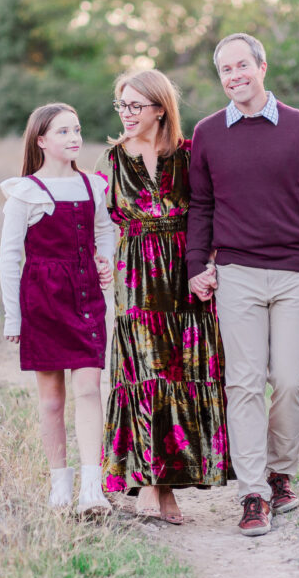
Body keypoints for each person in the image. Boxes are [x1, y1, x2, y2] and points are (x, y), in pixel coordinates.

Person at [186, 33, 299, 537]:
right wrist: (197, 263)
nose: (234, 76)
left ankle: (282, 475)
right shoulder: (209, 133)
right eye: (225, 70)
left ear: (262, 66)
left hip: (295, 271)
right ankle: (253, 492)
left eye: (242, 66)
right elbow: (202, 206)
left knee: (292, 380)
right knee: (244, 382)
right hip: (236, 273)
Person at [96, 69, 232, 525]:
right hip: (136, 282)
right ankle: (152, 485)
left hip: (185, 275)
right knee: (147, 375)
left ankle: (168, 489)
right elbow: (99, 224)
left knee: (182, 373)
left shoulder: (190, 155)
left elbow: (210, 211)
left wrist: (210, 262)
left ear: (160, 108)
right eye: (122, 105)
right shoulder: (111, 161)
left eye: (136, 105)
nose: (127, 114)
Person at [0, 102, 116, 515]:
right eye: (63, 132)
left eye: (77, 129)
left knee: (88, 389)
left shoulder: (93, 186)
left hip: (86, 299)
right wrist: (14, 316)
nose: (74, 138)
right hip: (43, 301)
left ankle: (91, 488)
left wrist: (104, 259)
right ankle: (59, 487)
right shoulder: (25, 192)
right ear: (42, 141)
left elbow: (106, 230)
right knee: (51, 400)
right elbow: (9, 257)